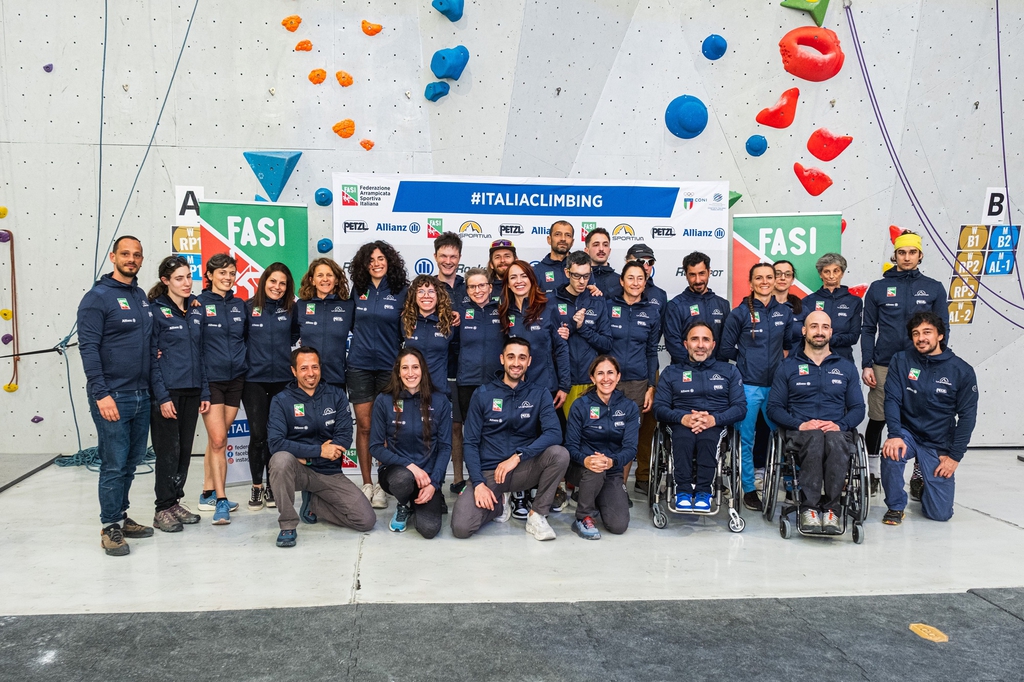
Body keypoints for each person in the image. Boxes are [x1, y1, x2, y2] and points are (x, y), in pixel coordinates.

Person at [77, 236, 155, 556]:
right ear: (113, 257)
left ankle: (121, 517)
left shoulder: (140, 295)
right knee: (113, 464)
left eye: (137, 255)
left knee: (132, 462)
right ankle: (109, 525)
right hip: (113, 396)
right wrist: (101, 394)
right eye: (125, 253)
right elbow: (88, 348)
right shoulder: (97, 298)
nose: (131, 259)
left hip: (141, 394)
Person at [451, 337, 570, 540]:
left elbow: (554, 433)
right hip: (490, 473)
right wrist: (478, 483)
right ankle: (499, 504)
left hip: (524, 468)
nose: (516, 363)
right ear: (502, 359)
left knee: (559, 454)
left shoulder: (539, 393)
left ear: (529, 361)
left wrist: (518, 456)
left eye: (522, 357)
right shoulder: (483, 394)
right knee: (462, 528)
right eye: (511, 357)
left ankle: (537, 515)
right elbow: (470, 442)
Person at [861, 230, 948, 498]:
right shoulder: (878, 288)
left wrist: (937, 362)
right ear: (895, 255)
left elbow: (942, 328)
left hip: (921, 365)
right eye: (902, 252)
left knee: (921, 420)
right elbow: (868, 329)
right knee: (878, 418)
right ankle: (872, 473)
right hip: (883, 364)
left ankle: (918, 476)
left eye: (912, 252)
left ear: (920, 255)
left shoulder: (934, 288)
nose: (907, 257)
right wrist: (867, 364)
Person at [767, 311, 866, 534]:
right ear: (804, 331)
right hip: (800, 431)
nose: (819, 332)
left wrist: (840, 425)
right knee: (814, 437)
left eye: (824, 327)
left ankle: (832, 509)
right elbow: (774, 408)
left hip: (836, 430)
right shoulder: (788, 366)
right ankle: (809, 508)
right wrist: (799, 425)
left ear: (831, 332)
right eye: (814, 326)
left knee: (834, 439)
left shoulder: (846, 367)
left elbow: (858, 408)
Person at [267, 347, 376, 547]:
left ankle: (314, 504)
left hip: (328, 472)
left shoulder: (336, 395)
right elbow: (276, 443)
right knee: (280, 460)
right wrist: (318, 452)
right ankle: (288, 525)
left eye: (315, 367)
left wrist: (308, 454)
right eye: (304, 368)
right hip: (298, 471)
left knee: (366, 520)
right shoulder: (281, 400)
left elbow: (344, 436)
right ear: (294, 371)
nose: (310, 373)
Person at [880, 312, 977, 525]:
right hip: (908, 432)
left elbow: (967, 417)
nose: (921, 338)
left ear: (940, 335)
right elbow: (892, 399)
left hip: (938, 441)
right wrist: (894, 434)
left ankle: (926, 487)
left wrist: (954, 457)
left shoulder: (961, 371)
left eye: (927, 332)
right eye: (916, 333)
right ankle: (895, 506)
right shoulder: (901, 360)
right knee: (892, 452)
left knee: (940, 514)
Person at [499, 260, 571, 518]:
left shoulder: (548, 307)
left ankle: (546, 492)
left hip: (545, 386)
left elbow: (560, 348)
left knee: (547, 440)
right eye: (513, 277)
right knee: (519, 437)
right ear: (507, 284)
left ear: (532, 279)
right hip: (515, 388)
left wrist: (564, 385)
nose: (518, 281)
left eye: (523, 276)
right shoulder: (504, 310)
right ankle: (519, 493)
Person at [720, 263, 793, 511]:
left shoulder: (784, 312)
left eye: (769, 277)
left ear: (775, 281)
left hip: (776, 388)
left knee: (784, 436)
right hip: (748, 386)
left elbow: (788, 346)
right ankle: (749, 489)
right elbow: (725, 349)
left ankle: (792, 486)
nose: (764, 282)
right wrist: (746, 361)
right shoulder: (739, 313)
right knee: (746, 440)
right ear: (750, 283)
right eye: (759, 278)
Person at [654, 320, 746, 513]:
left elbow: (740, 408)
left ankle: (704, 492)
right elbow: (659, 408)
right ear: (686, 344)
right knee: (683, 438)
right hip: (680, 423)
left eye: (706, 340)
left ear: (713, 344)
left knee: (708, 439)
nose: (700, 345)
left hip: (715, 423)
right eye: (695, 339)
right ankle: (683, 492)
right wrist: (683, 418)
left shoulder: (729, 371)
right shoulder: (671, 372)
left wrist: (714, 419)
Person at [148, 255, 208, 533]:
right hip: (168, 392)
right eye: (179, 278)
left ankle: (175, 503)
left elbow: (200, 354)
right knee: (167, 452)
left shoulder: (195, 310)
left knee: (184, 451)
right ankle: (162, 508)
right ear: (165, 281)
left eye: (188, 277)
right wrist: (162, 397)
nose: (186, 283)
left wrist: (204, 391)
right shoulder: (155, 311)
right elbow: (151, 358)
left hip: (192, 390)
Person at [348, 241, 409, 510]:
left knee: (385, 429)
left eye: (381, 258)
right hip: (359, 366)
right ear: (364, 264)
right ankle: (367, 483)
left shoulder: (401, 291)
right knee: (364, 426)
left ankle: (384, 485)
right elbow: (350, 325)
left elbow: (407, 328)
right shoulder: (357, 290)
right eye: (371, 259)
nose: (376, 263)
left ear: (389, 261)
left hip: (389, 368)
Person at [370, 348, 452, 538]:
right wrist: (410, 466)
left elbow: (445, 446)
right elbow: (375, 447)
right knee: (403, 479)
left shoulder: (440, 401)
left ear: (423, 370)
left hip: (427, 478)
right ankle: (404, 503)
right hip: (397, 472)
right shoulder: (384, 400)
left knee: (429, 530)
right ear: (398, 372)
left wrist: (434, 483)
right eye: (405, 368)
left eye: (415, 367)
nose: (410, 373)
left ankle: (425, 498)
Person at [241, 263, 298, 512]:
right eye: (273, 281)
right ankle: (256, 486)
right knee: (258, 435)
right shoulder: (248, 308)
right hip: (253, 380)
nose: (277, 287)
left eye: (282, 283)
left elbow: (294, 336)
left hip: (283, 381)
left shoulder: (292, 309)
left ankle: (273, 486)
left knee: (277, 436)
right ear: (264, 282)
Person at [564, 355, 640, 539]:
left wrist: (612, 461)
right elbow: (570, 446)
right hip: (581, 467)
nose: (606, 378)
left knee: (618, 525)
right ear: (592, 378)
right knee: (595, 470)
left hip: (612, 469)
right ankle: (583, 517)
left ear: (618, 376)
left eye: (610, 373)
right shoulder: (580, 405)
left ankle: (596, 496)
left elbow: (631, 448)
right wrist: (586, 460)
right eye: (600, 373)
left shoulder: (629, 407)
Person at [197, 253, 248, 525]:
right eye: (222, 273)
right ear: (209, 275)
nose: (228, 277)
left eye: (231, 273)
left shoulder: (240, 305)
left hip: (236, 379)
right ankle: (220, 500)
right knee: (219, 440)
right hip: (211, 381)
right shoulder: (198, 304)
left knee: (217, 438)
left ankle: (207, 492)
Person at [608, 261, 660, 493]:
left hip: (638, 383)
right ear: (622, 281)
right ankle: (600, 486)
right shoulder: (607, 306)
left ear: (645, 282)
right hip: (609, 382)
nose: (635, 283)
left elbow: (652, 352)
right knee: (604, 433)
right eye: (630, 278)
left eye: (640, 278)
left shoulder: (652, 312)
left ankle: (619, 489)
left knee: (628, 437)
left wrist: (651, 386)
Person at [452, 268, 504, 494]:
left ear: (490, 288)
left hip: (496, 382)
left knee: (495, 431)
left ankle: (494, 480)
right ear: (467, 289)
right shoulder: (460, 312)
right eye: (472, 286)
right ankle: (470, 479)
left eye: (482, 285)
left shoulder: (502, 310)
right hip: (467, 381)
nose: (477, 290)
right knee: (471, 434)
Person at [554, 251, 611, 417]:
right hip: (562, 383)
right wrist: (558, 336)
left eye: (586, 276)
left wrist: (582, 328)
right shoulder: (552, 301)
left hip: (592, 381)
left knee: (593, 430)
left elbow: (607, 344)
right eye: (576, 276)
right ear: (567, 273)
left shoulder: (597, 300)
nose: (581, 281)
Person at [432, 233, 466, 499]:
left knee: (460, 426)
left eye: (453, 256)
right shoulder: (427, 287)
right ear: (435, 257)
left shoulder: (469, 286)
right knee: (438, 426)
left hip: (466, 365)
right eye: (443, 255)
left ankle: (459, 479)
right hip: (435, 365)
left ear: (460, 258)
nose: (448, 261)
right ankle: (435, 481)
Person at [296, 258, 354, 391]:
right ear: (312, 280)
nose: (325, 279)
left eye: (329, 275)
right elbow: (291, 334)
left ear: (337, 280)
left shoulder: (348, 306)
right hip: (307, 378)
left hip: (336, 377)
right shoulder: (301, 305)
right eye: (320, 275)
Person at [664, 251, 730, 365]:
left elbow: (725, 343)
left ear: (709, 272)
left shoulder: (722, 304)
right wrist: (695, 366)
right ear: (686, 275)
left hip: (715, 371)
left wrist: (714, 367)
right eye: (692, 275)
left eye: (702, 273)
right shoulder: (675, 306)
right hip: (685, 370)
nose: (698, 280)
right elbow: (673, 344)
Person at [401, 274, 456, 398]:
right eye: (421, 291)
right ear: (414, 296)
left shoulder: (449, 322)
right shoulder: (405, 320)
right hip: (411, 391)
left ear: (438, 295)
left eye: (431, 291)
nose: (426, 295)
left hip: (439, 391)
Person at [800, 253, 862, 363]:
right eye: (827, 271)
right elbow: (802, 333)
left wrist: (828, 339)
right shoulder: (808, 301)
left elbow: (854, 336)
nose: (831, 276)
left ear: (842, 273)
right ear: (820, 274)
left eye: (836, 271)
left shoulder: (854, 301)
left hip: (843, 359)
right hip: (813, 360)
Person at [533, 220, 574, 295]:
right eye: (557, 234)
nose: (563, 239)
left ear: (572, 242)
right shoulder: (537, 271)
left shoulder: (582, 268)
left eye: (568, 235)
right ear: (549, 239)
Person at [624, 243, 667, 309]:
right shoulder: (614, 290)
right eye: (641, 261)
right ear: (627, 263)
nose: (646, 267)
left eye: (650, 262)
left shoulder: (660, 295)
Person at [584, 228, 621, 297]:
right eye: (596, 245)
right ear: (587, 251)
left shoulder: (621, 281)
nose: (601, 249)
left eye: (605, 245)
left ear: (609, 251)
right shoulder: (579, 280)